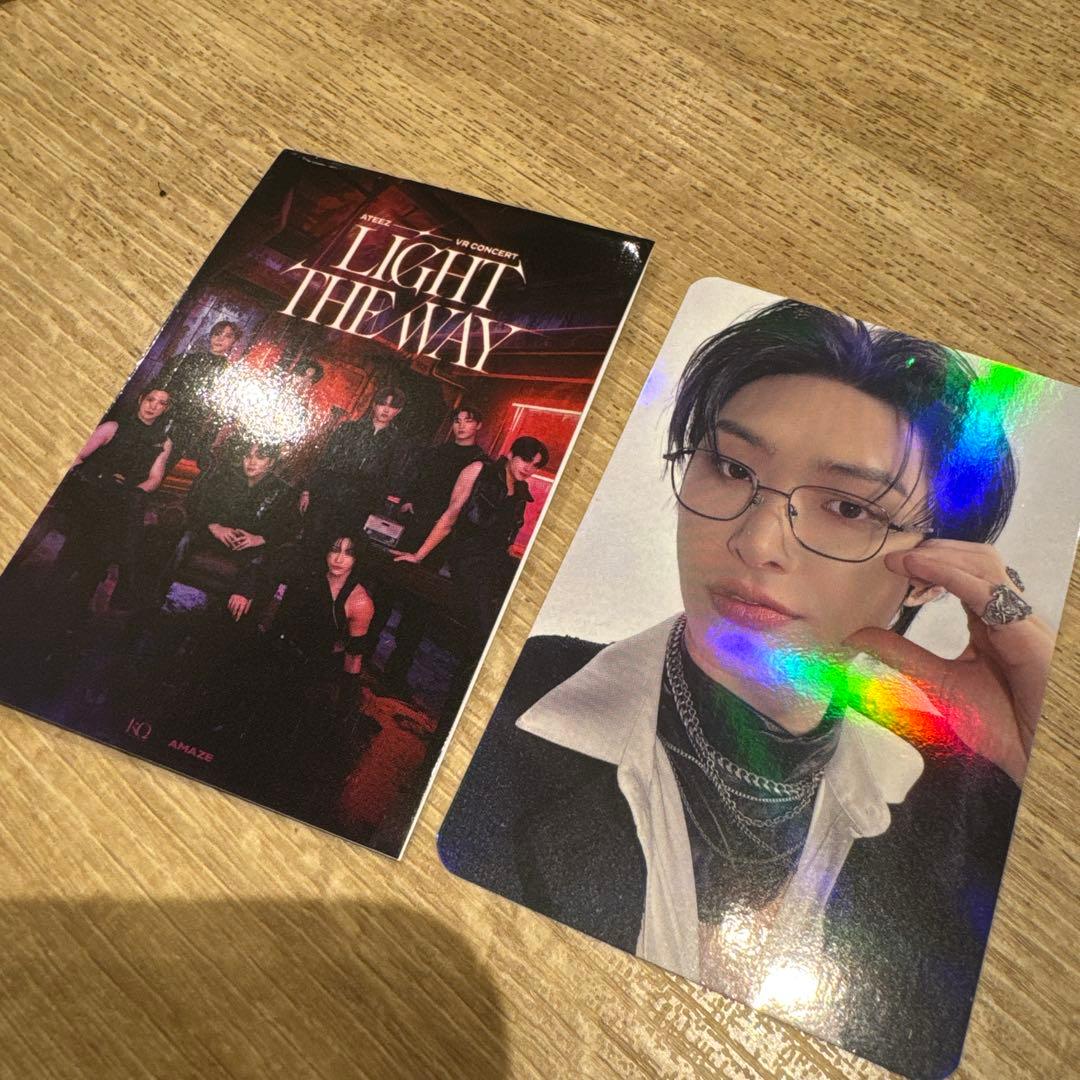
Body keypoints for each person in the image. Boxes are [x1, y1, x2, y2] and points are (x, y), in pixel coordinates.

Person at [438, 300, 1053, 1079]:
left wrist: (1044, 766)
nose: (756, 543)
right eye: (732, 469)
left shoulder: (975, 808)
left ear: (934, 572)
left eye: (848, 508)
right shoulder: (501, 694)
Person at [248, 534, 378, 819]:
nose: (339, 559)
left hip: (319, 668)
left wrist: (346, 699)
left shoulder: (359, 602)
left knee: (300, 733)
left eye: (348, 553)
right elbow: (277, 615)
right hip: (286, 654)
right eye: (334, 550)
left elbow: (353, 656)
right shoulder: (307, 579)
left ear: (357, 560)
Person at [394, 435, 547, 651]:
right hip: (467, 555)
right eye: (526, 459)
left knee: (525, 602)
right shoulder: (479, 470)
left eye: (535, 465)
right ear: (511, 454)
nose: (529, 468)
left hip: (495, 559)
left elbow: (506, 538)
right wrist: (419, 556)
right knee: (487, 624)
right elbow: (450, 517)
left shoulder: (521, 493)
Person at [46, 384, 174, 610]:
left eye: (161, 403)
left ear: (166, 409)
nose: (153, 406)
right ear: (141, 400)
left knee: (121, 515)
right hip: (93, 490)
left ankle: (82, 594)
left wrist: (132, 493)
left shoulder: (163, 442)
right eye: (150, 399)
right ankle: (122, 575)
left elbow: (154, 479)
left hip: (123, 498)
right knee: (102, 526)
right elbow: (79, 456)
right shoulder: (113, 427)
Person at [300, 385, 410, 544]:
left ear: (398, 411)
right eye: (382, 404)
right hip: (327, 495)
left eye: (392, 406)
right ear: (374, 405)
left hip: (359, 506)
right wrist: (307, 490)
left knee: (341, 545)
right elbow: (325, 459)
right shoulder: (349, 428)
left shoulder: (398, 443)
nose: (386, 410)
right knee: (311, 539)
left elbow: (392, 477)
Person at [162, 319, 240, 470]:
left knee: (168, 462)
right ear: (211, 336)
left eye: (227, 336)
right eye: (217, 334)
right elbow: (169, 387)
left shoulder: (231, 373)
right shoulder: (187, 359)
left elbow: (223, 409)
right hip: (167, 416)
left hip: (192, 426)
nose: (220, 339)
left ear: (234, 342)